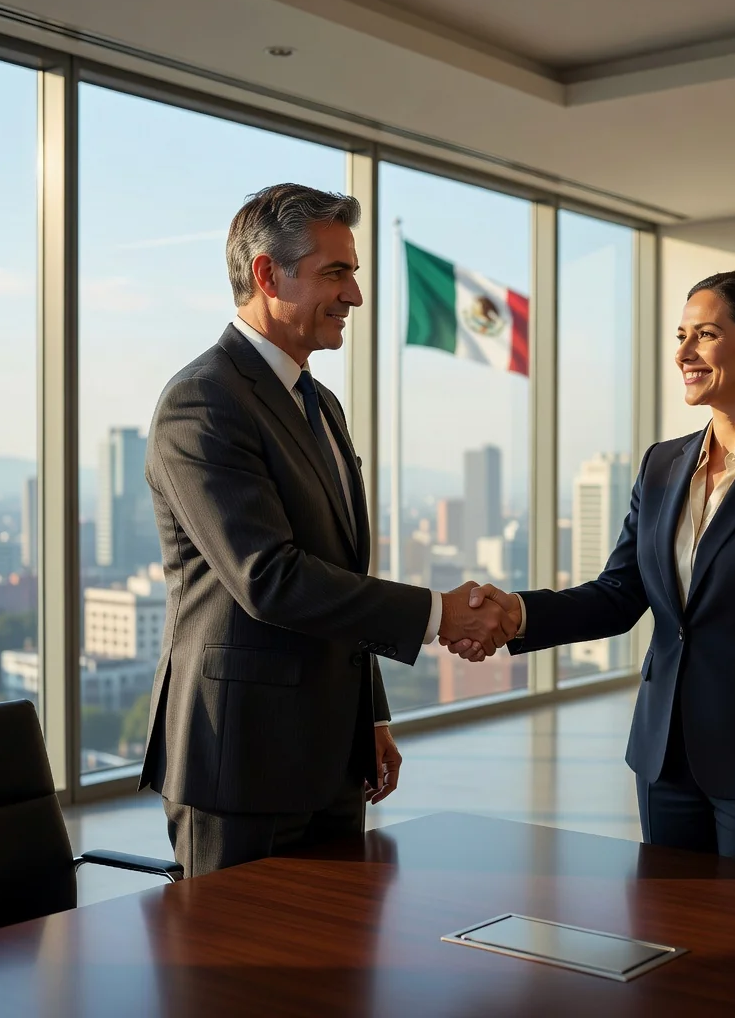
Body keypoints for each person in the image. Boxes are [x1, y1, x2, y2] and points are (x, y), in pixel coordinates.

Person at [139, 184, 516, 877]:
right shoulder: (203, 402)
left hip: (335, 758)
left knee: (339, 973)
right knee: (241, 980)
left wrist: (368, 715)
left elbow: (341, 568)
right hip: (241, 762)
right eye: (334, 273)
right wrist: (436, 615)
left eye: (355, 273)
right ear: (266, 274)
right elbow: (270, 578)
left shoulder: (323, 405)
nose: (355, 297)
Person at [449, 270, 735, 868]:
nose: (683, 354)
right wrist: (516, 613)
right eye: (680, 335)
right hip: (662, 753)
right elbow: (620, 594)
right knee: (668, 936)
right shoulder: (662, 465)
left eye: (705, 334)